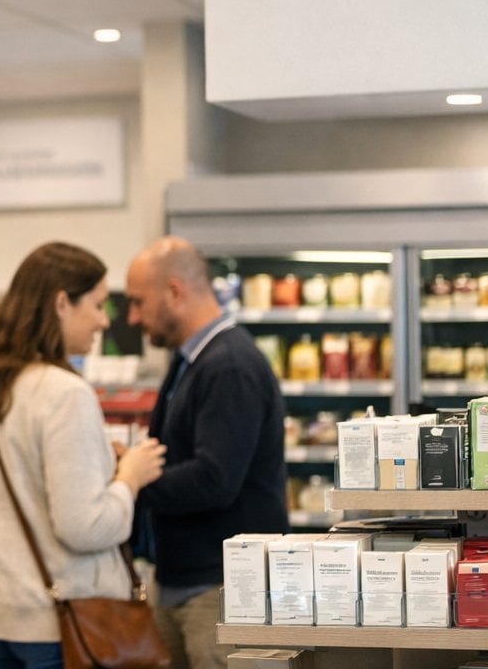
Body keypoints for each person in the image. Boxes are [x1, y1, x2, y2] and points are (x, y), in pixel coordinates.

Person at [0, 241, 166, 669]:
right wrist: (129, 477)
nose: (103, 320)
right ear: (60, 303)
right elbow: (85, 527)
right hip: (63, 624)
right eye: (95, 304)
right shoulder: (63, 392)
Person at [126, 236, 288, 669]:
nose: (132, 317)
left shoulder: (229, 365)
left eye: (138, 302)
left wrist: (130, 479)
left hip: (218, 590)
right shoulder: (191, 361)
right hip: (184, 583)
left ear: (175, 292)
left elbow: (214, 478)